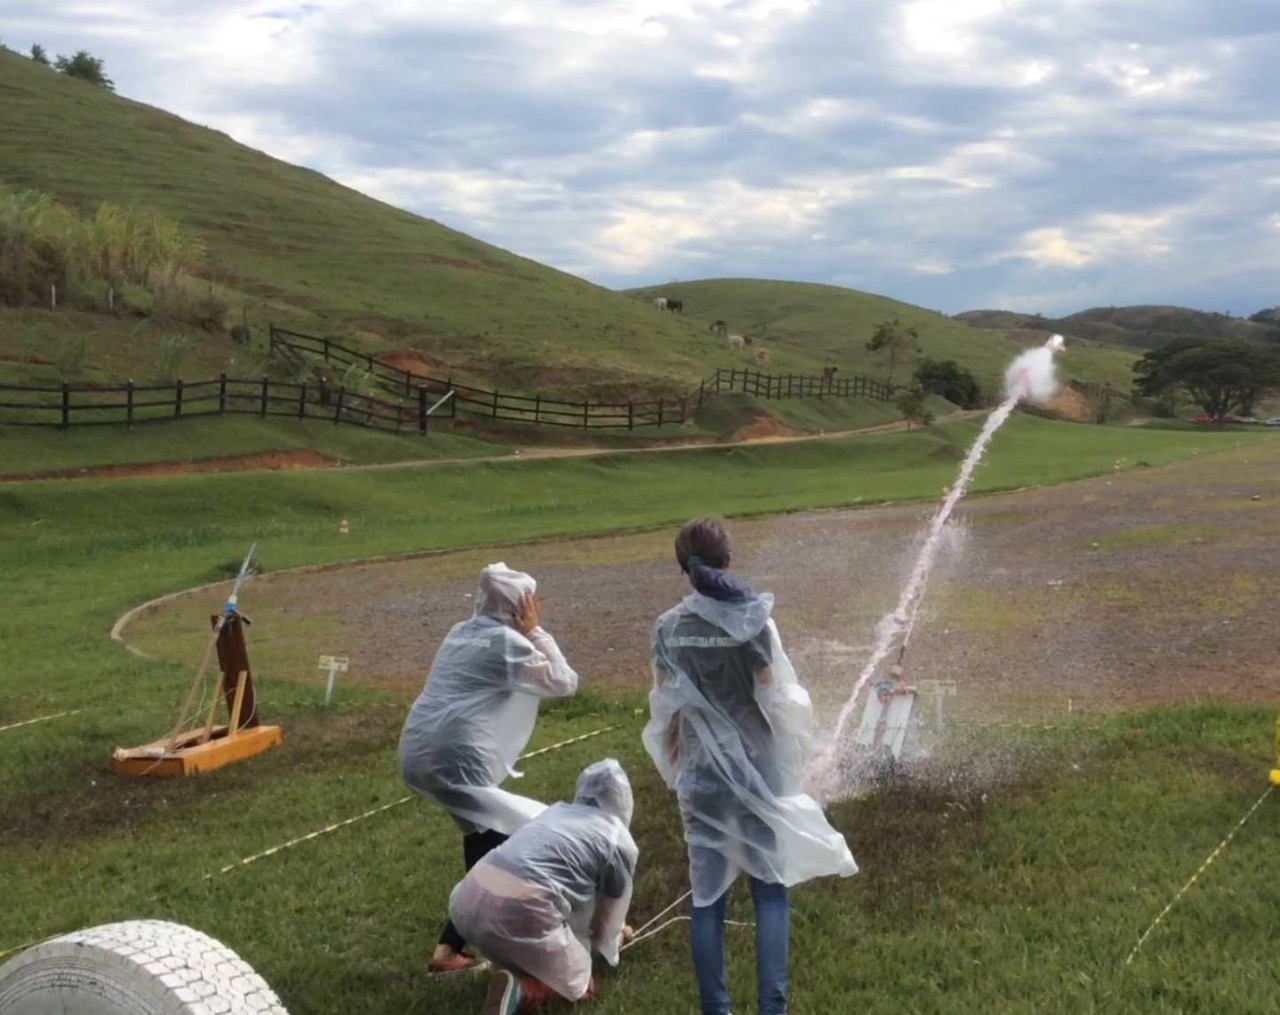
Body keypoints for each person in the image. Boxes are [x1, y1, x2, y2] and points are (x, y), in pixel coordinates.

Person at [642, 519, 857, 1015]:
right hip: (760, 770)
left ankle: (716, 1009)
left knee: (707, 898)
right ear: (728, 561)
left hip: (701, 777)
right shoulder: (751, 620)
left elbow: (665, 704)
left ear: (683, 568)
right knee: (769, 892)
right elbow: (774, 696)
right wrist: (798, 744)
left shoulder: (667, 627)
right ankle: (772, 1008)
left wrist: (680, 765)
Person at [400, 562, 580, 975]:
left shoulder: (460, 633)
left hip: (417, 752)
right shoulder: (506, 643)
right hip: (457, 761)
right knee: (522, 843)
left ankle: (449, 951)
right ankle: (556, 937)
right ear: (520, 607)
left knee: (486, 845)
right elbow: (565, 682)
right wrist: (535, 631)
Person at [449, 759, 638, 1015]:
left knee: (542, 942)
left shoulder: (555, 813)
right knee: (579, 988)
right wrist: (616, 939)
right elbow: (604, 926)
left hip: (467, 902)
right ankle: (520, 989)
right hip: (521, 909)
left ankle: (517, 968)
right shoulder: (616, 841)